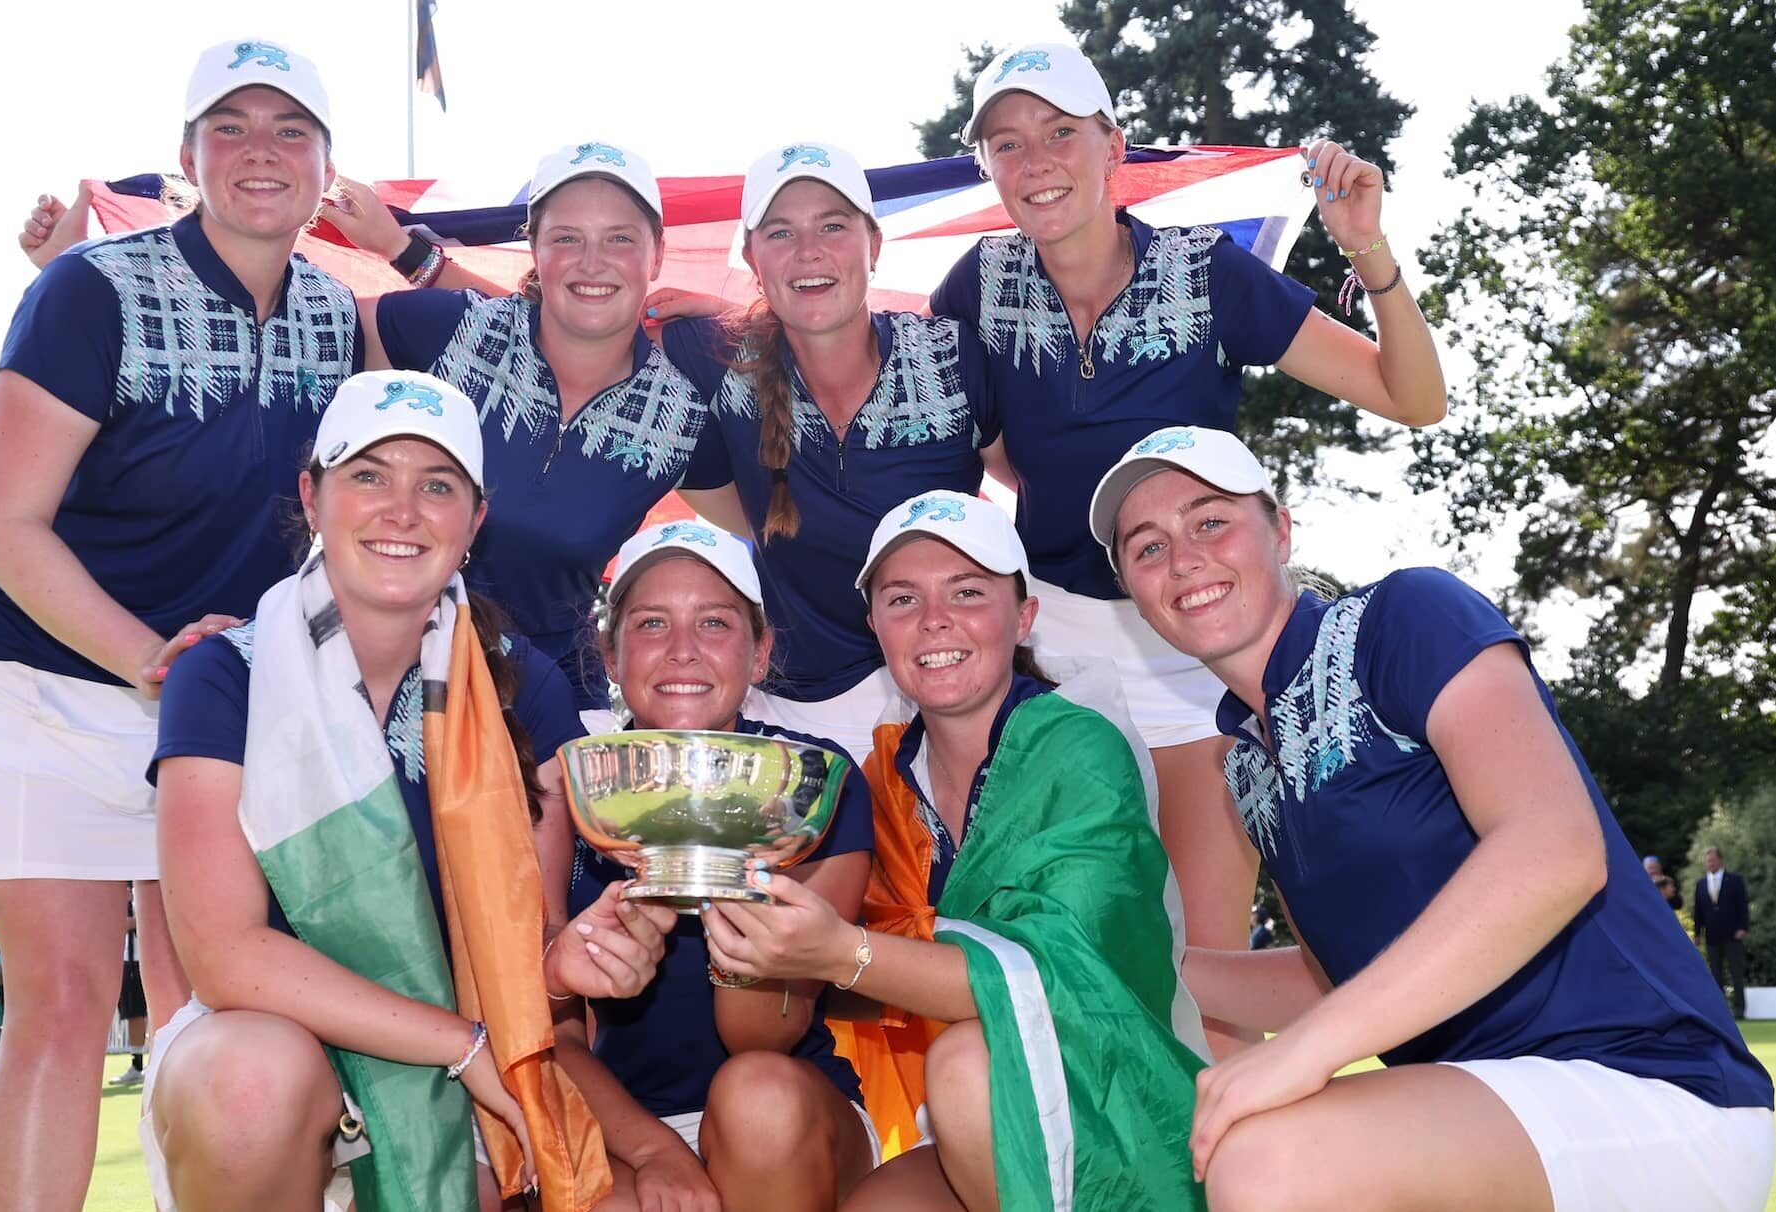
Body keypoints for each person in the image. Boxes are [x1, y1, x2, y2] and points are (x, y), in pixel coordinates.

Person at [1093, 426, 1775, 1211]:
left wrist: (1306, 1055)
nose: (1183, 559)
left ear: (1280, 530)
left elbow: (1556, 849)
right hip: (1480, 1113)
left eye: (1210, 520)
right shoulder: (1247, 766)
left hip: (1646, 1087)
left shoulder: (1402, 618)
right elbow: (1332, 982)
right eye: (1146, 548)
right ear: (1134, 597)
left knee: (1267, 1161)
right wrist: (1136, 960)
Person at [928, 43, 1449, 1045]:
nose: (1035, 159)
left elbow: (1411, 398)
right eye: (1007, 141)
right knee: (1056, 961)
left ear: (1112, 144)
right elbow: (973, 447)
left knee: (1197, 985)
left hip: (1197, 645)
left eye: (1060, 132)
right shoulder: (977, 286)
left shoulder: (1204, 271)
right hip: (1051, 653)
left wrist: (1367, 254)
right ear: (988, 165)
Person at [0, 39, 363, 1211]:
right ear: (187, 156)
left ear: (328, 166)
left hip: (216, 698)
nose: (262, 151)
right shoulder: (90, 289)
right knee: (67, 1004)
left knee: (218, 1012)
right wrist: (145, 659)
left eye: (291, 129)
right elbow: (6, 523)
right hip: (41, 678)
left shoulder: (343, 319)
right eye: (232, 127)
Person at [147, 370, 673, 1212]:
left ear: (475, 521)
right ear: (312, 497)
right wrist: (460, 1046)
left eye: (436, 485)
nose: (402, 511)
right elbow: (223, 956)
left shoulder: (520, 687)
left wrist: (567, 967)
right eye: (368, 476)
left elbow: (525, 955)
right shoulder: (224, 675)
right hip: (280, 1054)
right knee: (251, 1084)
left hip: (464, 1060)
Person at [710, 490, 1208, 1210]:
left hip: (1112, 1086)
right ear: (876, 626)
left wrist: (835, 953)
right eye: (903, 599)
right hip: (957, 1112)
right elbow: (881, 978)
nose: (934, 620)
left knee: (972, 1063)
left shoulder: (1080, 747)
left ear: (1024, 615)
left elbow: (1057, 978)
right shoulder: (883, 776)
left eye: (968, 592)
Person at [557, 520, 880, 1210]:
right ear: (611, 655)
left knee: (755, 1098)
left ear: (759, 654)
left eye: (714, 623)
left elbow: (764, 1035)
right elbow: (547, 1031)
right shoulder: (575, 788)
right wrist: (658, 1154)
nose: (682, 651)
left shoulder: (811, 783)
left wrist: (728, 866)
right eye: (650, 624)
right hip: (627, 1121)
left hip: (791, 1109)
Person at [654, 141, 999, 761]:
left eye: (833, 226)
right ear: (752, 260)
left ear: (873, 245)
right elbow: (559, 333)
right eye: (781, 232)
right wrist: (423, 259)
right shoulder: (710, 357)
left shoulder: (954, 356)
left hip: (960, 704)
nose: (809, 251)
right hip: (800, 720)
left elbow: (1034, 483)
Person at [343, 142, 711, 708]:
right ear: (535, 247)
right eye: (567, 237)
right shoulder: (457, 333)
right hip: (389, 683)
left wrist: (739, 321)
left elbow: (774, 519)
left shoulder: (683, 412)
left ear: (657, 254)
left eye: (621, 238)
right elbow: (297, 333)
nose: (593, 261)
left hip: (552, 701)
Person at [1692, 847, 1750, 1018]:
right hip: (1712, 935)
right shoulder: (1701, 884)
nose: (1710, 863)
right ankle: (1720, 1012)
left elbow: (1743, 906)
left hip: (1733, 934)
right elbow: (1698, 911)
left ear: (1720, 860)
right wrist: (1697, 933)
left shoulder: (1735, 880)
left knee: (1736, 973)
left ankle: (1740, 1009)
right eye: (1707, 861)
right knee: (1715, 974)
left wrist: (1743, 928)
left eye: (1713, 860)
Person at [112, 899, 147, 1086]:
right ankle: (137, 1064)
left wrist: (131, 921)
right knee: (133, 1013)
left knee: (154, 1010)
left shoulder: (143, 892)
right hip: (128, 960)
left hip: (149, 958)